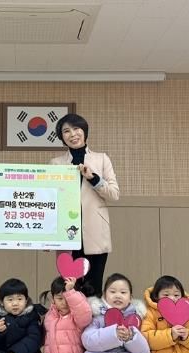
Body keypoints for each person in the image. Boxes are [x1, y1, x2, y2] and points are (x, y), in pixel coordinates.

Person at [50, 113, 119, 296]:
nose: (72, 134)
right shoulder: (56, 163)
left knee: (93, 287)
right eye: (66, 131)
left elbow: (114, 194)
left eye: (76, 129)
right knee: (70, 289)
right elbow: (51, 201)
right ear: (61, 137)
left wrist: (93, 178)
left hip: (95, 231)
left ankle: (93, 316)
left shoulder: (101, 159)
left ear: (84, 131)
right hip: (66, 233)